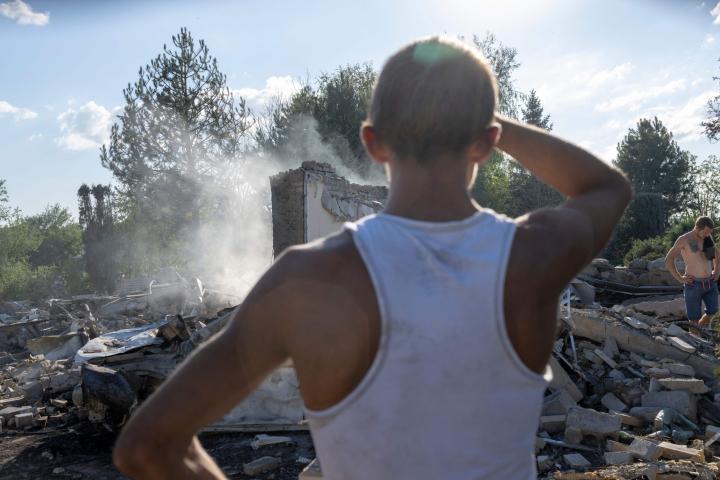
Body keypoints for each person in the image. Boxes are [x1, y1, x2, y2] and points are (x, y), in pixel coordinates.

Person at [113, 37, 631, 479]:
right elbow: (607, 186)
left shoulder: (306, 279)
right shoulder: (532, 255)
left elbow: (147, 446)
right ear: (486, 143)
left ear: (373, 142)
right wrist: (487, 121)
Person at [665, 217, 720, 328]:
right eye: (706, 232)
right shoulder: (684, 239)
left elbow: (717, 254)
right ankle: (696, 335)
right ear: (697, 228)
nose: (708, 234)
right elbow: (669, 259)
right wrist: (680, 278)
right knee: (693, 320)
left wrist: (717, 271)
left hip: (710, 283)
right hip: (693, 284)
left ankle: (701, 328)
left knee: (713, 313)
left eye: (709, 232)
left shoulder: (708, 237)